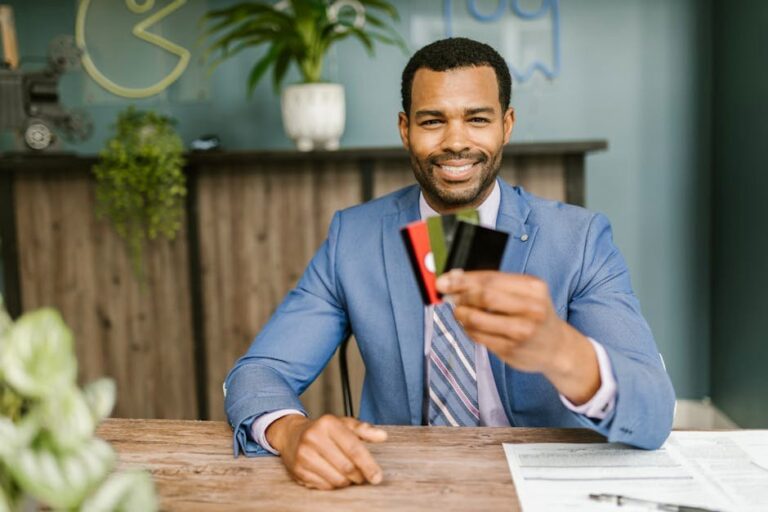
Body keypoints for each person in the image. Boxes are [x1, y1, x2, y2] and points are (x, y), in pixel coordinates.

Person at [224, 37, 675, 491]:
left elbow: (655, 412)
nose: (456, 142)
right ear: (405, 129)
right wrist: (290, 431)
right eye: (432, 121)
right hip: (396, 483)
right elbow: (258, 372)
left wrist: (563, 351)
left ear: (507, 124)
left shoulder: (579, 240)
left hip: (543, 486)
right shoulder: (353, 238)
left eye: (477, 119)